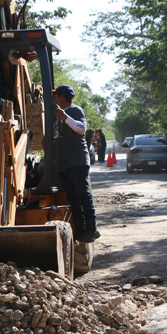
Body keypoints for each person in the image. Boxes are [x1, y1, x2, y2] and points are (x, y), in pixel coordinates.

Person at [53, 84, 99, 242]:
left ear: (62, 97)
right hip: (64, 164)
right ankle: (80, 229)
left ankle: (92, 228)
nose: (53, 98)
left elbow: (81, 129)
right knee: (73, 198)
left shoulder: (75, 111)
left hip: (76, 161)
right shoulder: (58, 118)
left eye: (56, 95)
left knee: (83, 194)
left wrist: (64, 116)